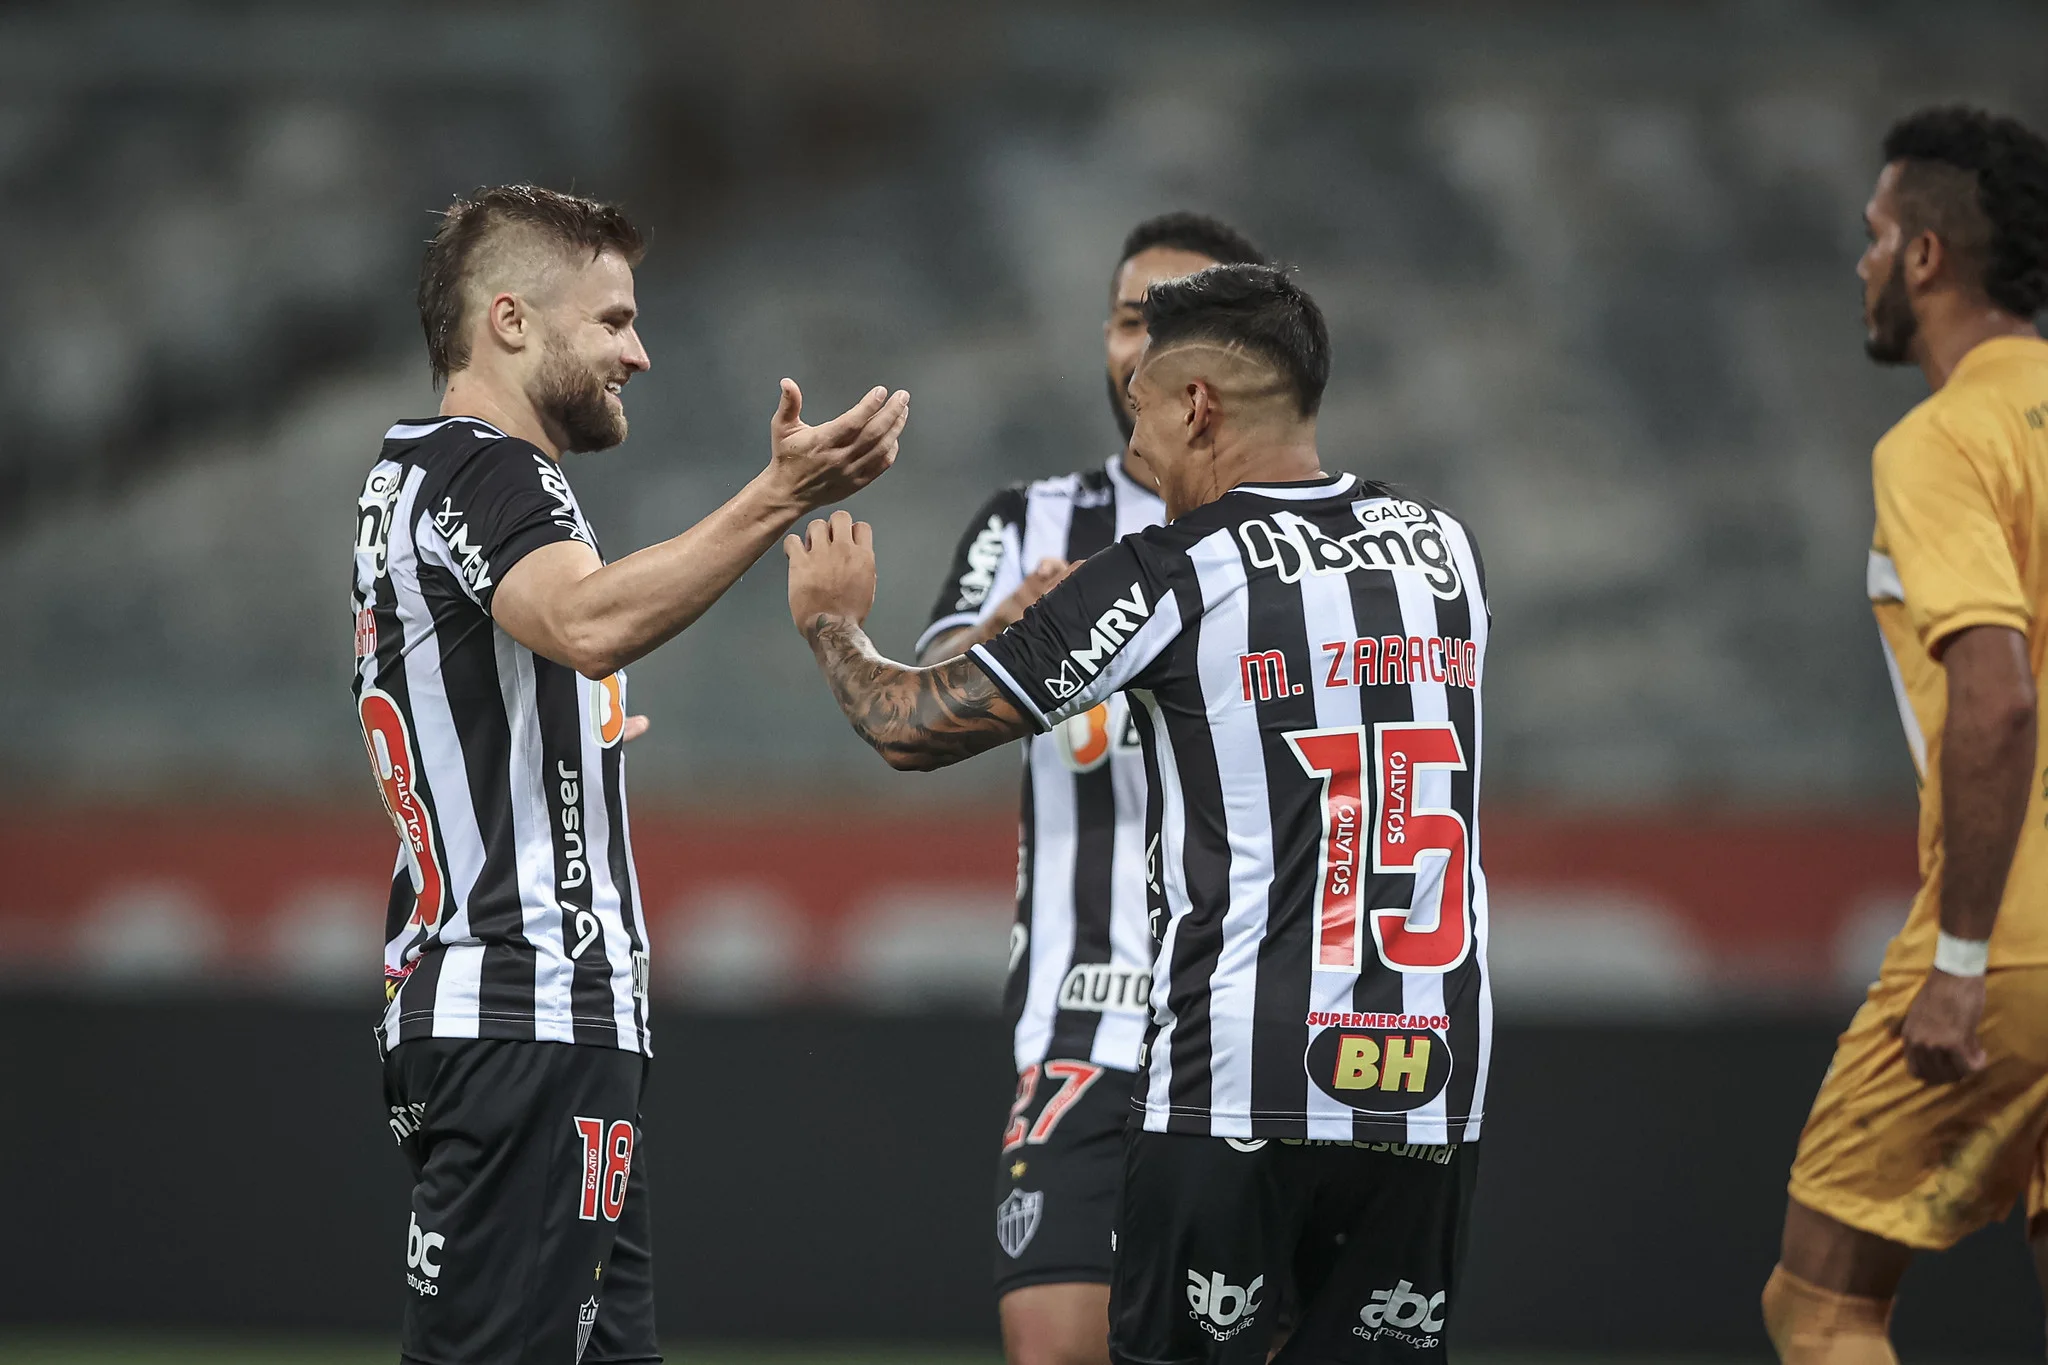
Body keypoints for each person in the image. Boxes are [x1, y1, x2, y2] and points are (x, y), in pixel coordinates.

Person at [787, 263, 1491, 1363]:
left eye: (1146, 411)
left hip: (1236, 1086)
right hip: (1424, 1085)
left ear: (1197, 406)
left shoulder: (1170, 570)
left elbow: (909, 724)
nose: (1140, 448)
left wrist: (833, 626)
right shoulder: (1443, 553)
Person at [352, 184, 907, 1364]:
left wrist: (566, 736)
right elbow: (588, 622)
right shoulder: (488, 471)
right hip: (525, 1004)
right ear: (508, 320)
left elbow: (486, 679)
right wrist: (780, 495)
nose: (639, 352)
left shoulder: (409, 477)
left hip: (500, 1012)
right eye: (609, 320)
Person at [918, 212, 1267, 1365]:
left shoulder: (1294, 537)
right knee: (1054, 1346)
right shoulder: (1029, 524)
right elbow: (925, 693)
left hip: (1249, 1021)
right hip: (1080, 1010)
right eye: (1128, 318)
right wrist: (1009, 631)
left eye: (1177, 321)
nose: (1144, 347)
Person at [1762, 106, 2048, 1365]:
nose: (1863, 264)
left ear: (1925, 257)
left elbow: (1996, 696)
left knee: (1819, 1301)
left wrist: (1964, 959)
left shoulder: (1941, 440)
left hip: (2017, 932)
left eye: (1874, 237)